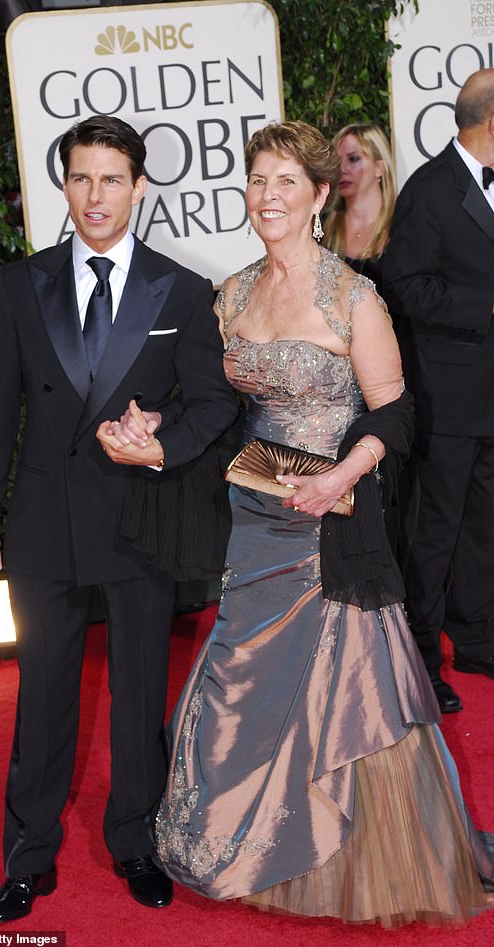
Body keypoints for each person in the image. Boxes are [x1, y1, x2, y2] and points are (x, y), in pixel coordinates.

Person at [144, 120, 494, 927]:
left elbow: (397, 410)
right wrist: (148, 433)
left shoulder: (352, 295)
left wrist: (340, 472)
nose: (268, 196)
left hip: (334, 518)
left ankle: (343, 853)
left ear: (316, 197)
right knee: (242, 670)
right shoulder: (230, 295)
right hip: (255, 512)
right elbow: (205, 405)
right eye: (257, 181)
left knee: (347, 689)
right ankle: (246, 836)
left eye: (285, 183)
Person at [0, 115, 238, 924]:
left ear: (139, 186)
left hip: (136, 518)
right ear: (65, 185)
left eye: (111, 178)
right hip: (44, 518)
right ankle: (28, 855)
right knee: (42, 693)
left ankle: (136, 842)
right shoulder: (22, 283)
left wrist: (160, 449)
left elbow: (212, 402)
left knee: (137, 690)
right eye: (81, 178)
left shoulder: (181, 290)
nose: (95, 196)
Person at [383, 68, 494, 715]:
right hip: (447, 401)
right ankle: (420, 657)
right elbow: (404, 287)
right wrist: (485, 304)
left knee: (485, 527)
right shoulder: (429, 191)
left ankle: (477, 637)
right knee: (435, 532)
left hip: (488, 399)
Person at [323, 122, 396, 299]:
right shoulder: (321, 228)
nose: (342, 169)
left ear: (380, 167)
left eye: (353, 159)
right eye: (336, 162)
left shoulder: (403, 227)